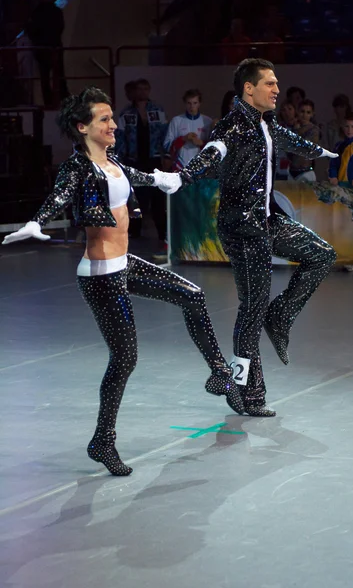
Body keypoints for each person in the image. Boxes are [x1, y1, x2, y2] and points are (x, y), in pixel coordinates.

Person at [1, 87, 244, 476]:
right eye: (104, 120)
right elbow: (61, 193)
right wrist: (37, 220)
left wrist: (168, 180)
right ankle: (103, 440)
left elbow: (141, 177)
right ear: (83, 127)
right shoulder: (79, 166)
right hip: (101, 276)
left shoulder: (113, 162)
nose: (113, 125)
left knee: (193, 296)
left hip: (125, 263)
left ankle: (219, 374)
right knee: (125, 359)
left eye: (113, 118)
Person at [176, 58, 338, 417]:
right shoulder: (232, 126)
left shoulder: (268, 122)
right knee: (252, 308)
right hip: (241, 228)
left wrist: (321, 152)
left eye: (276, 83)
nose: (277, 89)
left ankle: (279, 317)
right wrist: (184, 176)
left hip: (266, 220)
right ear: (249, 88)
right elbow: (211, 154)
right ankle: (247, 393)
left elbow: (289, 139)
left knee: (322, 255)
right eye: (270, 83)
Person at [115, 78, 169, 249]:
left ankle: (163, 233)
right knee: (135, 197)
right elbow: (120, 138)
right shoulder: (126, 113)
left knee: (158, 198)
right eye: (139, 89)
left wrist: (166, 156)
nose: (142, 92)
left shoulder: (158, 110)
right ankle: (134, 231)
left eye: (146, 88)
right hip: (134, 160)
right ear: (134, 91)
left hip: (154, 159)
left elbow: (165, 134)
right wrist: (120, 159)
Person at [25, 0, 68, 107]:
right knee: (50, 77)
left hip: (49, 47)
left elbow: (31, 28)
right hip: (46, 47)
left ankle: (58, 101)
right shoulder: (41, 11)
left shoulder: (43, 11)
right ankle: (54, 102)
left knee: (57, 76)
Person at [163, 89, 212, 170]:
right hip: (180, 166)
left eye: (195, 103)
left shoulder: (207, 121)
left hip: (201, 167)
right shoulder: (176, 120)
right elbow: (167, 146)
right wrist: (183, 139)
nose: (192, 106)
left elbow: (213, 147)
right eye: (189, 103)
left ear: (199, 103)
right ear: (185, 104)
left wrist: (201, 143)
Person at [288, 99, 320, 182]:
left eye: (308, 112)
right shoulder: (293, 127)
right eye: (302, 111)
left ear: (312, 114)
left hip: (305, 172)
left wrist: (297, 132)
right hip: (291, 171)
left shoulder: (314, 130)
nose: (304, 115)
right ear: (297, 112)